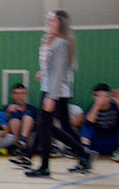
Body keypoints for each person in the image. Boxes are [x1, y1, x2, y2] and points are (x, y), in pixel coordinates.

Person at [22, 10, 96, 177]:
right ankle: (83, 153)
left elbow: (60, 71)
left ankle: (45, 167)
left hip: (54, 92)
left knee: (45, 128)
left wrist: (51, 96)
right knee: (50, 127)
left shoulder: (61, 43)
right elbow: (52, 68)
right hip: (53, 89)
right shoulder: (56, 41)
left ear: (61, 23)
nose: (49, 24)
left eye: (53, 21)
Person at [80, 83, 119, 163]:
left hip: (113, 141)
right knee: (86, 127)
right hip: (97, 141)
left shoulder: (115, 107)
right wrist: (97, 106)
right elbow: (88, 124)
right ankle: (85, 151)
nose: (102, 99)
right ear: (94, 97)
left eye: (105, 96)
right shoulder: (92, 108)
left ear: (109, 97)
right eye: (98, 96)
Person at [4, 83, 37, 154]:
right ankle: (18, 144)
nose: (20, 96)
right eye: (17, 93)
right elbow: (1, 124)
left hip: (29, 137)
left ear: (26, 95)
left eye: (23, 93)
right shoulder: (7, 108)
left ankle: (22, 141)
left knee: (28, 116)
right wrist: (8, 113)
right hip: (13, 137)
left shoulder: (32, 109)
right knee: (14, 119)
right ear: (12, 95)